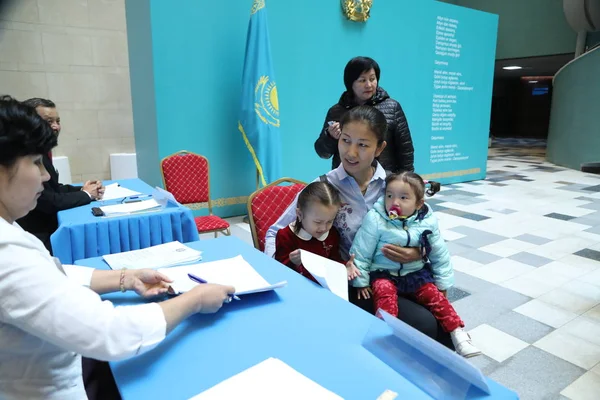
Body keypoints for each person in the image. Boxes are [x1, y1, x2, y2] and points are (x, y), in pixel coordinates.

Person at [0, 95, 235, 399]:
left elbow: (49, 275)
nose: (45, 175)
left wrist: (124, 277)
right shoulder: (7, 254)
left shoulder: (10, 230)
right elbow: (111, 333)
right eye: (34, 163)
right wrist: (195, 300)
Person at [266, 105, 453, 348]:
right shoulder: (324, 186)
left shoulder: (394, 187)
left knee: (443, 324)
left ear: (380, 148)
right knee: (425, 324)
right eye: (345, 140)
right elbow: (273, 231)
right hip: (355, 283)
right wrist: (279, 275)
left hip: (405, 273)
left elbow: (427, 230)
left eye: (363, 144)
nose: (351, 152)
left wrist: (420, 252)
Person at [348, 172, 480, 358]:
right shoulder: (376, 218)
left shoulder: (427, 220)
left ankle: (459, 335)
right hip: (384, 273)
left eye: (404, 197)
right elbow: (361, 250)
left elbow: (439, 252)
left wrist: (442, 284)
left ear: (419, 204)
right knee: (384, 295)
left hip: (415, 274)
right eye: (390, 195)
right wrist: (361, 281)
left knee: (436, 298)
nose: (395, 202)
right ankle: (385, 336)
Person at [16, 98, 104, 252]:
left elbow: (53, 189)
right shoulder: (23, 154)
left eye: (58, 121)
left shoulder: (43, 151)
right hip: (39, 236)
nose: (56, 126)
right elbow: (49, 200)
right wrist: (86, 195)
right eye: (49, 121)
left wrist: (81, 190)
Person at [314, 56, 414, 173]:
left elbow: (406, 151)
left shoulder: (392, 108)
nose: (369, 85)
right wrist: (330, 137)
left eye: (372, 79)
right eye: (362, 80)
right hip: (345, 181)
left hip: (383, 181)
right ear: (350, 83)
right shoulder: (336, 111)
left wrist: (404, 181)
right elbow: (322, 153)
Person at [274, 181, 358, 283]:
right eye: (318, 222)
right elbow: (278, 271)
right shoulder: (285, 236)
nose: (323, 228)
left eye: (330, 221)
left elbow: (333, 261)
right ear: (299, 214)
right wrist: (292, 262)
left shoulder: (332, 234)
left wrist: (345, 266)